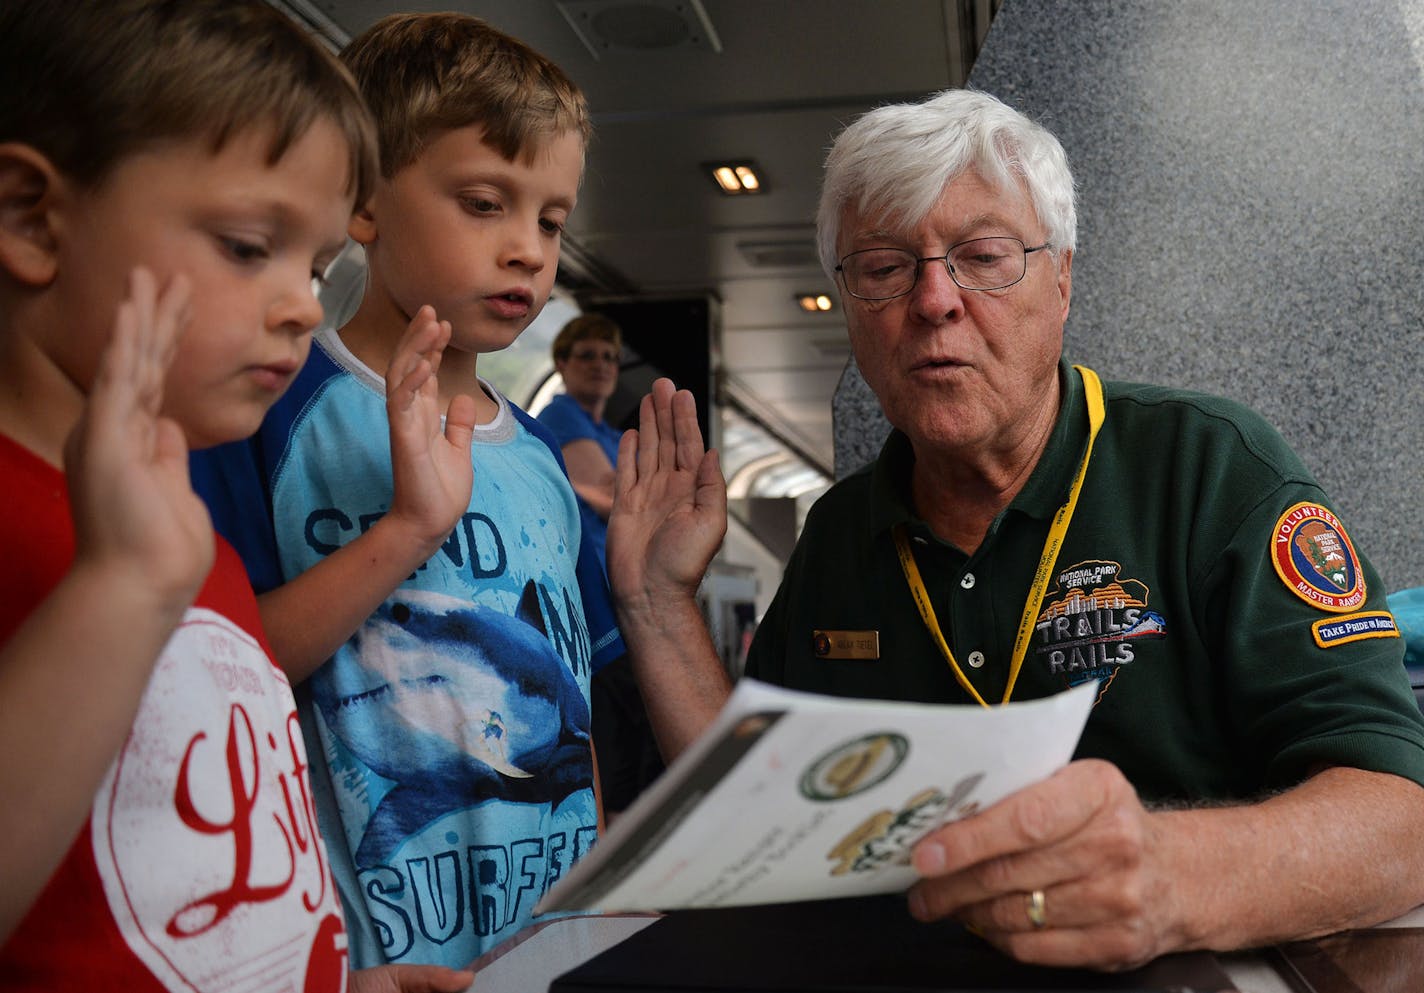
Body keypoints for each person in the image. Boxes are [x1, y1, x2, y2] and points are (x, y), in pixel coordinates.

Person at [607, 89, 1424, 970]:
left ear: (1063, 278)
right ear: (849, 304)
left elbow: (1400, 815)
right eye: (883, 266)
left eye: (983, 256)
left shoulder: (1208, 470)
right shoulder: (840, 532)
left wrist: (1171, 876)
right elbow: (753, 835)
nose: (933, 299)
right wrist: (657, 603)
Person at [0, 2, 471, 990]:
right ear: (32, 218)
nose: (304, 303)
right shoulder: (93, 543)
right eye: (250, 246)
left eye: (317, 266)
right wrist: (120, 591)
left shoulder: (185, 539)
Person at [188, 11, 624, 970]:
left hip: (544, 948)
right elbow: (224, 671)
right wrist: (411, 527)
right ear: (364, 202)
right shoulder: (267, 411)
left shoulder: (544, 460)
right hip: (364, 952)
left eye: (551, 221)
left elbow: (574, 713)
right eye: (483, 202)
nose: (527, 248)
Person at [538, 314, 666, 815]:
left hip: (627, 598)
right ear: (562, 364)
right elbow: (623, 498)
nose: (600, 366)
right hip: (596, 608)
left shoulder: (608, 433)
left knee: (640, 745)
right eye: (587, 355)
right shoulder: (561, 415)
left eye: (609, 357)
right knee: (620, 747)